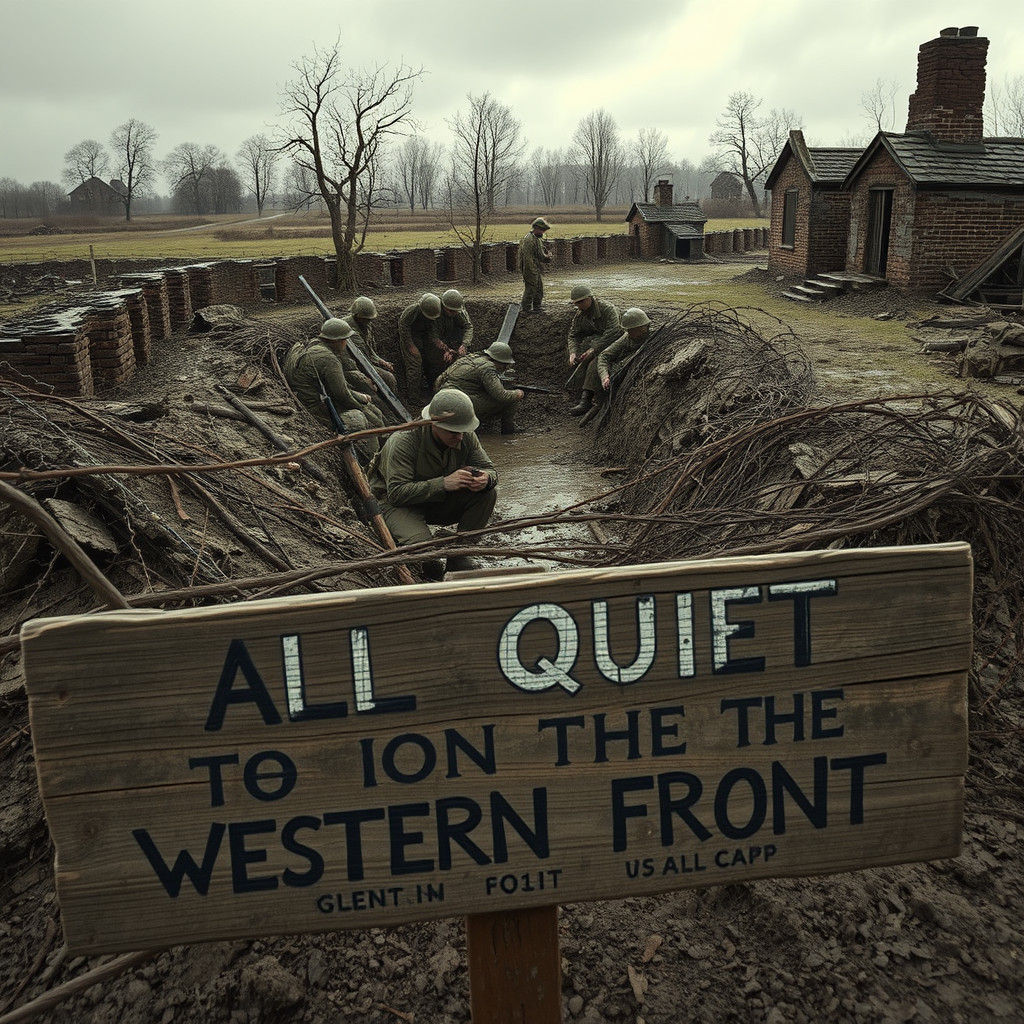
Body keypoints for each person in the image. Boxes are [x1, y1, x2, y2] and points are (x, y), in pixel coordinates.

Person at [367, 388, 498, 581]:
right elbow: (396, 493)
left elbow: (489, 468)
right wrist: (443, 483)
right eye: (453, 432)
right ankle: (404, 538)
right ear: (433, 424)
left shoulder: (464, 434)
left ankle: (459, 554)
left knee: (488, 493)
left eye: (463, 431)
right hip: (398, 504)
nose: (459, 437)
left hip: (434, 498)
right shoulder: (404, 441)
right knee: (428, 559)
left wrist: (486, 478)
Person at [283, 318, 384, 459]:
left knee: (372, 410)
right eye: (345, 340)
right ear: (338, 340)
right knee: (371, 417)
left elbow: (334, 388)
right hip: (315, 407)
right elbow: (342, 395)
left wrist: (359, 396)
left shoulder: (310, 346)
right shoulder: (329, 359)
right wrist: (362, 405)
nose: (346, 343)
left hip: (305, 398)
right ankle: (373, 459)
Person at [434, 341, 524, 434]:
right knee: (512, 400)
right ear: (498, 360)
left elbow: (439, 380)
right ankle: (508, 432)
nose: (504, 368)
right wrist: (518, 393)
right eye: (504, 365)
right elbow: (501, 395)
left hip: (441, 398)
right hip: (457, 403)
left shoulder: (469, 358)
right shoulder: (488, 367)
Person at [565, 283, 622, 416]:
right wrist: (572, 353)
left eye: (581, 302)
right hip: (599, 339)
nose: (579, 305)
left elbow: (614, 332)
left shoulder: (608, 309)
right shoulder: (580, 315)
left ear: (590, 298)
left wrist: (593, 349)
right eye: (576, 303)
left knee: (595, 361)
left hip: (616, 339)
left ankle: (586, 399)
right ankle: (574, 390)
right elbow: (573, 335)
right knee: (579, 356)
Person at [341, 295, 399, 397]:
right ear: (357, 316)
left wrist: (381, 361)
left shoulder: (365, 325)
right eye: (366, 319)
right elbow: (361, 359)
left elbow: (369, 349)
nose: (369, 322)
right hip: (351, 366)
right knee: (389, 378)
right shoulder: (348, 329)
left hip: (365, 360)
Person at [595, 308, 652, 407]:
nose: (627, 332)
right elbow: (604, 355)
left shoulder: (656, 335)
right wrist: (604, 376)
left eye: (630, 330)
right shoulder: (627, 337)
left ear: (641, 328)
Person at [398, 293, 449, 396]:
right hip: (410, 336)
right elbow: (404, 327)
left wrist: (436, 341)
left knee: (431, 359)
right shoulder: (412, 311)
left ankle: (430, 387)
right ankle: (413, 396)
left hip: (423, 337)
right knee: (415, 363)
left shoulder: (436, 310)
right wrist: (411, 346)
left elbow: (432, 328)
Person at [519, 217, 552, 313]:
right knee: (530, 289)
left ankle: (537, 306)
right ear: (536, 228)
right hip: (529, 269)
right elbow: (527, 259)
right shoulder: (528, 240)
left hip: (535, 268)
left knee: (539, 289)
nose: (543, 233)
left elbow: (540, 255)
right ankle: (526, 309)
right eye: (542, 230)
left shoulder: (537, 239)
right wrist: (531, 272)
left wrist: (547, 257)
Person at [439, 289, 475, 356]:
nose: (453, 313)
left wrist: (464, 345)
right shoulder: (436, 310)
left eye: (455, 311)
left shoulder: (459, 311)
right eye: (450, 311)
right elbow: (432, 334)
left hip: (453, 332)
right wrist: (445, 349)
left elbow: (468, 327)